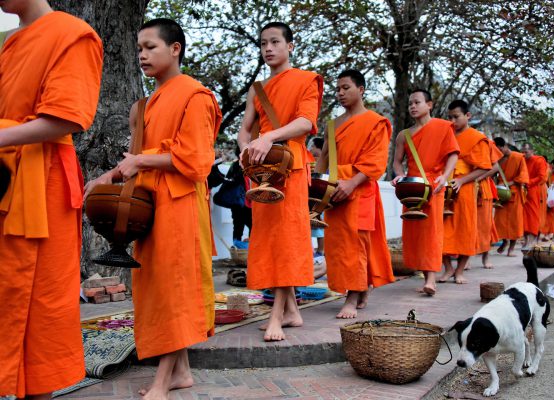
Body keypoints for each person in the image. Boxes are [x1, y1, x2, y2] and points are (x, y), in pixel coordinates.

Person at [84, 18, 221, 399]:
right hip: (147, 204)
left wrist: (141, 164)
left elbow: (196, 161)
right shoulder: (144, 105)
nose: (142, 55)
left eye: (150, 47)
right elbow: (138, 156)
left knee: (174, 289)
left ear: (175, 49)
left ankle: (163, 381)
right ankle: (182, 373)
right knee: (155, 287)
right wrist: (107, 176)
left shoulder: (195, 95)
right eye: (139, 49)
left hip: (179, 204)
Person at [0, 1, 103, 398]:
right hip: (7, 179)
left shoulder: (72, 33)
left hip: (43, 183)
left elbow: (68, 116)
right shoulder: (11, 42)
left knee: (42, 308)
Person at [237, 22, 323, 341]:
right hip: (261, 170)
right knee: (269, 238)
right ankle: (292, 312)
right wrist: (245, 150)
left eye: (275, 42)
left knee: (286, 239)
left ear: (290, 46)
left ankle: (277, 315)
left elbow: (305, 122)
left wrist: (269, 136)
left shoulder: (305, 80)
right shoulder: (257, 89)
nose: (268, 48)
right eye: (263, 44)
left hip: (292, 166)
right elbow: (245, 129)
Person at [316, 69, 394, 318]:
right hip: (334, 192)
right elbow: (324, 160)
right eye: (337, 89)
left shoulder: (375, 122)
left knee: (356, 245)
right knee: (337, 246)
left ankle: (352, 296)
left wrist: (351, 183)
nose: (340, 93)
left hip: (360, 191)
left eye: (345, 88)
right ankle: (359, 287)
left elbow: (376, 161)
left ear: (361, 89)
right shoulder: (333, 125)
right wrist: (316, 190)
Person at [391, 89, 459, 295]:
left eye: (417, 102)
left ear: (429, 105)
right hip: (412, 187)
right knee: (414, 234)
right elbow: (397, 162)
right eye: (410, 103)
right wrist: (400, 176)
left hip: (434, 185)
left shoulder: (442, 127)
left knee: (432, 232)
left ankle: (431, 279)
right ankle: (423, 271)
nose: (412, 106)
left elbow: (453, 155)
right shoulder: (404, 135)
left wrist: (445, 176)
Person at [439, 100, 491, 284]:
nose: (452, 121)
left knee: (466, 231)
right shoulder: (445, 135)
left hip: (466, 188)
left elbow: (484, 168)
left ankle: (460, 271)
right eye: (449, 117)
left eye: (456, 117)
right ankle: (448, 268)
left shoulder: (476, 138)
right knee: (441, 231)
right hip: (445, 188)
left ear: (468, 116)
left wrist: (461, 180)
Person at [493, 137, 529, 257]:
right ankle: (504, 241)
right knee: (499, 221)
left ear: (504, 147)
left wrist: (508, 183)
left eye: (499, 150)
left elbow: (523, 177)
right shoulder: (498, 159)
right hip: (501, 193)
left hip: (514, 193)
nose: (498, 153)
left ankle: (511, 249)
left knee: (515, 222)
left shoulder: (518, 157)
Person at [475, 138, 503, 268]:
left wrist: (478, 177)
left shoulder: (486, 143)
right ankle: (465, 258)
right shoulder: (459, 140)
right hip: (464, 185)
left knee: (485, 225)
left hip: (483, 187)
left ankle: (486, 257)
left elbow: (495, 166)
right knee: (467, 224)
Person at [521, 143, 547, 247]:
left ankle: (531, 240)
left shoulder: (539, 160)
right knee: (523, 217)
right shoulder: (522, 160)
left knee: (532, 216)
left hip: (533, 191)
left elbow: (541, 177)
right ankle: (526, 239)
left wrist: (528, 182)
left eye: (526, 152)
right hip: (522, 191)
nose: (524, 154)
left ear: (532, 151)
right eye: (522, 152)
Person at [307, 136, 325, 257]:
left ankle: (320, 251)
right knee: (307, 224)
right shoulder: (309, 160)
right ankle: (310, 250)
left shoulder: (325, 161)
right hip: (308, 194)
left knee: (319, 225)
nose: (310, 148)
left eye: (312, 146)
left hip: (321, 196)